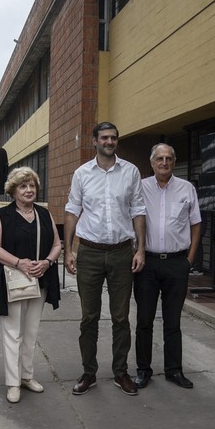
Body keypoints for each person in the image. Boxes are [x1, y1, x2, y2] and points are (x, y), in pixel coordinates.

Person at [64, 122, 146, 396]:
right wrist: (68, 250)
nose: (110, 142)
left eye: (113, 138)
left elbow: (138, 211)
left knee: (121, 317)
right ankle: (89, 373)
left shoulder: (131, 172)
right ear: (95, 141)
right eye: (104, 138)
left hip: (123, 252)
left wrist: (140, 249)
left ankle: (121, 372)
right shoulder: (82, 174)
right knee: (89, 317)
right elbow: (72, 211)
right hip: (89, 253)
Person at [0, 167, 61, 403]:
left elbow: (57, 245)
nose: (29, 190)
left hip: (38, 280)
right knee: (12, 333)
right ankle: (13, 382)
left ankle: (27, 376)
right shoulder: (3, 215)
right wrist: (19, 263)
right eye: (23, 186)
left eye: (32, 185)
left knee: (30, 332)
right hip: (13, 281)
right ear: (13, 190)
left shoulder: (44, 213)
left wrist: (48, 263)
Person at [134, 143, 201, 390]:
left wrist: (189, 261)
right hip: (147, 263)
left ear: (174, 162)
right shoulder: (140, 188)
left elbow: (196, 224)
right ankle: (143, 370)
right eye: (159, 159)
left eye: (169, 158)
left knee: (173, 321)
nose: (164, 162)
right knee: (144, 320)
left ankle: (174, 370)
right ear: (152, 163)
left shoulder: (187, 189)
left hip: (176, 263)